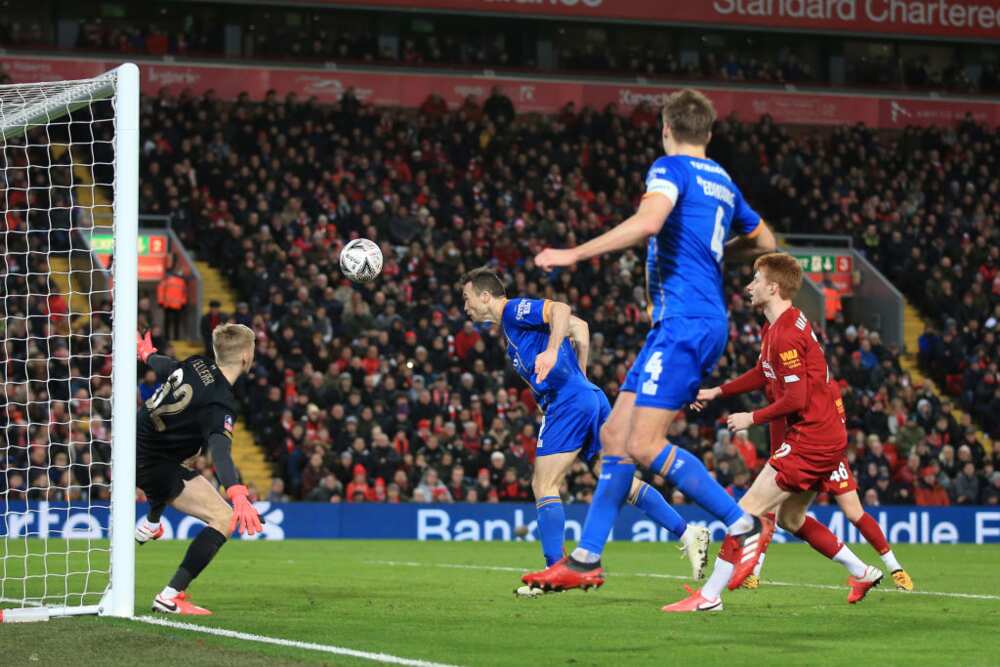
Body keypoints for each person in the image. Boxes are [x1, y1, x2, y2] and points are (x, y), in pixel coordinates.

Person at [522, 89, 777, 598]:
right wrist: (715, 254)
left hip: (685, 321)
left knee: (643, 444)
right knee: (617, 436)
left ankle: (743, 524)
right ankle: (587, 558)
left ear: (666, 128)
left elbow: (649, 222)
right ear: (708, 132)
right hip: (686, 322)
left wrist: (573, 254)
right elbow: (766, 242)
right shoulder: (724, 182)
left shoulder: (670, 168)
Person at [460, 267, 710, 595]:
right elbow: (581, 328)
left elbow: (562, 310)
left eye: (466, 299)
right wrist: (581, 375)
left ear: (485, 295)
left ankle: (554, 570)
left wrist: (553, 354)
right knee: (620, 483)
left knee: (543, 483)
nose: (465, 307)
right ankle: (688, 533)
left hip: (571, 402)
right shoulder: (511, 335)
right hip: (586, 397)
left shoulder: (513, 310)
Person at [677, 253, 882, 612]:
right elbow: (762, 373)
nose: (748, 286)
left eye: (755, 280)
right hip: (826, 436)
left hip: (812, 438)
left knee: (743, 511)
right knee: (791, 519)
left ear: (773, 287)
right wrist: (717, 392)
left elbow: (795, 397)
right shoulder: (778, 326)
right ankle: (862, 571)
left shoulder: (786, 333)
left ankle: (709, 597)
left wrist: (750, 418)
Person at [733, 379, 914, 591]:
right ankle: (887, 570)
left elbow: (780, 431)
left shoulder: (789, 391)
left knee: (773, 511)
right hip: (831, 452)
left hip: (811, 453)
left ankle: (753, 572)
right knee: (795, 518)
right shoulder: (827, 384)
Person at [134, 324, 261, 615]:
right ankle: (170, 595)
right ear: (245, 356)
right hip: (152, 464)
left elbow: (168, 366)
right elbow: (220, 453)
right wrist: (238, 494)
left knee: (188, 450)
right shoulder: (221, 404)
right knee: (224, 518)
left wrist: (147, 354)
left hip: (141, 438)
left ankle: (152, 522)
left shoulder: (198, 363)